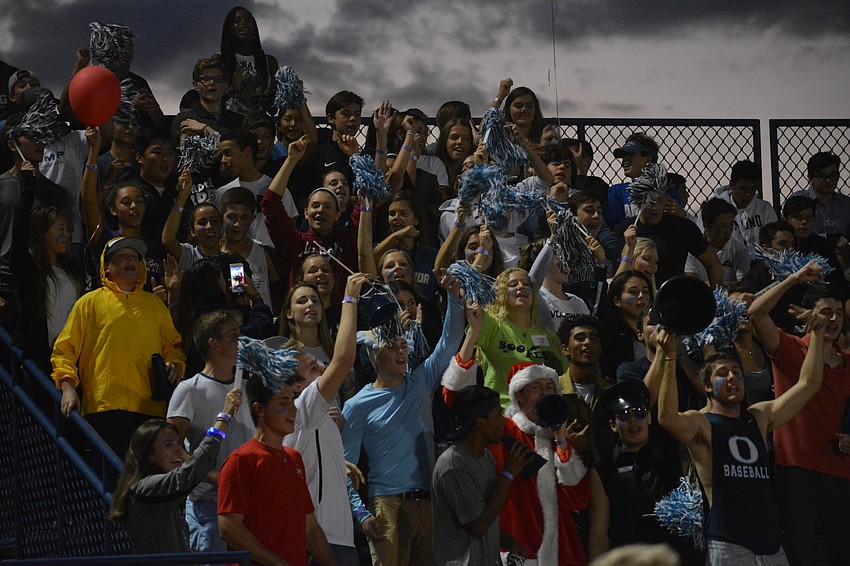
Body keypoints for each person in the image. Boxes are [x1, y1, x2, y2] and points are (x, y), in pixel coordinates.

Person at [657, 308, 826, 565]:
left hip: (771, 543)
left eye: (736, 372)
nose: (732, 377)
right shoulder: (702, 423)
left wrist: (818, 334)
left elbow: (809, 384)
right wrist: (669, 359)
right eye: (722, 374)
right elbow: (667, 419)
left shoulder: (758, 418)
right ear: (706, 387)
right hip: (728, 542)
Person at [342, 270, 465, 566]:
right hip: (386, 505)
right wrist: (361, 514)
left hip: (430, 501)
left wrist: (453, 299)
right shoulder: (357, 405)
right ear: (374, 356)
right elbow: (344, 467)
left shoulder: (421, 382)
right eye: (391, 347)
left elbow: (449, 343)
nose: (401, 352)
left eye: (403, 346)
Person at [749, 262, 850, 565]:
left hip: (842, 472)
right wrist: (793, 279)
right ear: (808, 317)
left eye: (838, 313)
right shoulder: (790, 349)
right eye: (825, 312)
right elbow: (755, 313)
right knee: (801, 554)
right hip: (795, 470)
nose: (832, 319)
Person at [51, 237, 185, 457]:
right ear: (106, 266)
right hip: (104, 408)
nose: (130, 261)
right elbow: (64, 349)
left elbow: (174, 346)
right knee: (113, 479)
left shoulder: (155, 306)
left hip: (150, 410)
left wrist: (174, 364)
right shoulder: (89, 303)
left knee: (145, 482)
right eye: (122, 256)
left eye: (134, 257)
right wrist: (67, 387)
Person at [282, 272, 369, 565]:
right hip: (322, 540)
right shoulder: (302, 406)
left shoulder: (307, 417)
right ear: (294, 385)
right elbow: (344, 359)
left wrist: (336, 461)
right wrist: (349, 298)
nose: (321, 367)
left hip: (336, 536)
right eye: (311, 366)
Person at [217, 354, 336, 566]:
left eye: (292, 400)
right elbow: (228, 527)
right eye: (283, 402)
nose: (293, 409)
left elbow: (310, 525)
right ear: (259, 409)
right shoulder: (241, 461)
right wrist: (278, 564)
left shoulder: (293, 458)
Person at [108, 388, 242, 554]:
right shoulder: (145, 487)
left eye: (179, 443)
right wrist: (224, 418)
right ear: (149, 455)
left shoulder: (157, 488)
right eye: (168, 445)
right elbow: (192, 469)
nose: (178, 450)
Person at [165, 310, 252, 553]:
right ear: (213, 344)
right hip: (208, 502)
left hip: (248, 501)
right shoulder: (189, 389)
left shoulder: (249, 388)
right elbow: (172, 450)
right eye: (233, 337)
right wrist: (215, 476)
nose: (241, 343)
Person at [591, 380, 702, 565]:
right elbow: (598, 533)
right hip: (631, 559)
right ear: (613, 424)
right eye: (624, 415)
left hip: (676, 558)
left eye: (640, 413)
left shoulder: (673, 453)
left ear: (649, 418)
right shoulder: (604, 471)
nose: (633, 420)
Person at [431, 384, 533, 566]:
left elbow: (487, 516)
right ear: (480, 422)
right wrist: (508, 475)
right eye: (497, 415)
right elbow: (477, 526)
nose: (503, 422)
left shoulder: (486, 457)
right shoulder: (453, 465)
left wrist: (510, 542)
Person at [476, 267, 567, 407]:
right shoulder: (493, 326)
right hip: (503, 415)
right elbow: (472, 304)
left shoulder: (548, 336)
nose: (521, 287)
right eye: (513, 285)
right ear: (501, 293)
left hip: (541, 417)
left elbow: (563, 376)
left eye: (526, 284)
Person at [614, 187, 722, 287]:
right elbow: (618, 278)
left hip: (673, 295)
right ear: (639, 201)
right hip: (637, 296)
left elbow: (712, 262)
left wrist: (718, 298)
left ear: (667, 200)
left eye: (660, 201)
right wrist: (629, 247)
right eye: (649, 202)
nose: (654, 207)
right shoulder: (625, 231)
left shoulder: (682, 227)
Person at [215, 129, 299, 246]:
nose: (223, 160)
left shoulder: (277, 189)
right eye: (222, 155)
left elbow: (291, 229)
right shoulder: (222, 193)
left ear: (247, 152)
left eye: (228, 154)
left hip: (273, 260)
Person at [219, 186, 281, 309]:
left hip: (262, 325)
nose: (237, 224)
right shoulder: (213, 255)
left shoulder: (265, 252)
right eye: (231, 217)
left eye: (244, 218)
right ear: (221, 216)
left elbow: (279, 293)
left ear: (252, 219)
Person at [219, 6, 279, 115]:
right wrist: (233, 89)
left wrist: (287, 91)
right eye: (237, 21)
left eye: (248, 21)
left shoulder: (269, 62)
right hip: (228, 125)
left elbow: (273, 110)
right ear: (229, 27)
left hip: (259, 125)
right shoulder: (219, 60)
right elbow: (213, 100)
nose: (243, 23)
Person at [715, 160, 777, 260]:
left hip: (761, 264)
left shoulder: (765, 209)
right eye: (743, 189)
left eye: (752, 189)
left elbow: (775, 242)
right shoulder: (715, 209)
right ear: (732, 185)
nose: (748, 194)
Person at [685, 197, 750, 284]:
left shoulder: (739, 249)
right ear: (706, 226)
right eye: (722, 227)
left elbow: (744, 283)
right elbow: (691, 282)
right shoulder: (691, 248)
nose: (727, 232)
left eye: (731, 225)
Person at [790, 151, 849, 238]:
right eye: (822, 176)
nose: (828, 180)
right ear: (810, 177)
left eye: (832, 175)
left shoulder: (846, 204)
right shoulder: (797, 199)